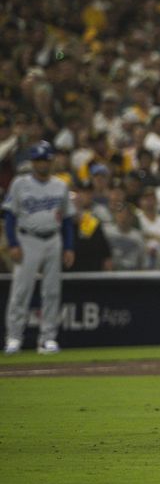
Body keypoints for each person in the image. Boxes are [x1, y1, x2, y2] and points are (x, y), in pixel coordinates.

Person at [3, 142, 75, 355]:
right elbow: (9, 215)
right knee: (21, 291)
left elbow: (68, 219)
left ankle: (48, 338)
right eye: (38, 160)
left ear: (51, 161)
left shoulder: (60, 185)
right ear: (33, 162)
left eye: (45, 160)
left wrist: (69, 247)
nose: (42, 164)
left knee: (52, 291)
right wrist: (13, 243)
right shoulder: (19, 183)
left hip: (53, 238)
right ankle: (14, 337)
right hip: (27, 239)